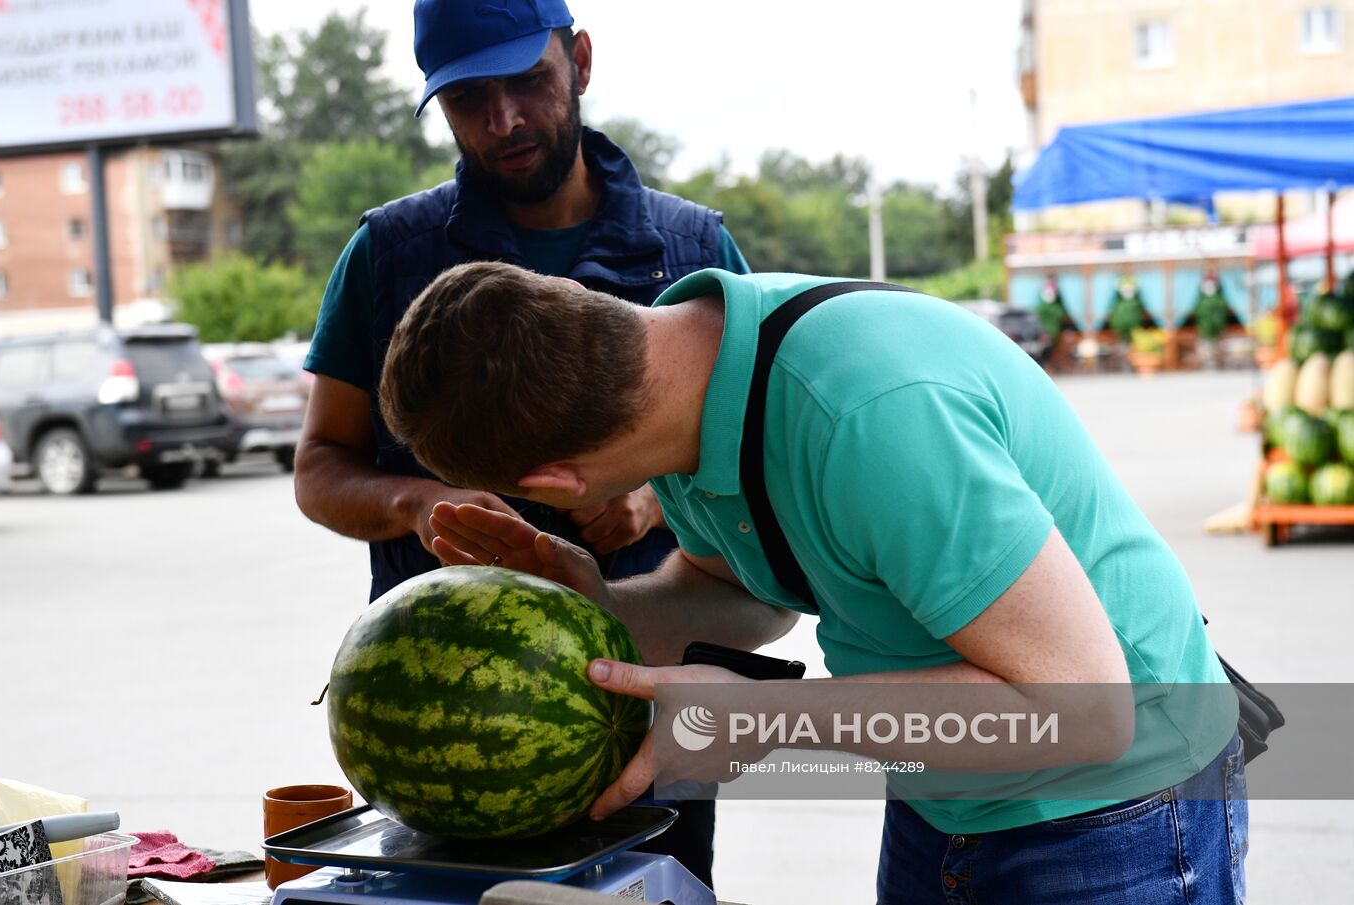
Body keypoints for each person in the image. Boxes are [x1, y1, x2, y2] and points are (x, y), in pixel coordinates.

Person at [377, 262, 1247, 904]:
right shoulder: (674, 392)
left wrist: (760, 720)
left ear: (558, 479)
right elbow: (747, 595)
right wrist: (599, 605)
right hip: (948, 783)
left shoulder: (867, 414)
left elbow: (1086, 710)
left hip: (1114, 799)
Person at [293, 0, 773, 886]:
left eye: (528, 83)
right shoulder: (387, 252)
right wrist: (416, 499)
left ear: (580, 61)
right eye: (469, 97)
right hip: (446, 721)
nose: (504, 120)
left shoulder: (693, 249)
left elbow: (759, 472)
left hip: (651, 703)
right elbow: (318, 468)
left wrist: (652, 490)